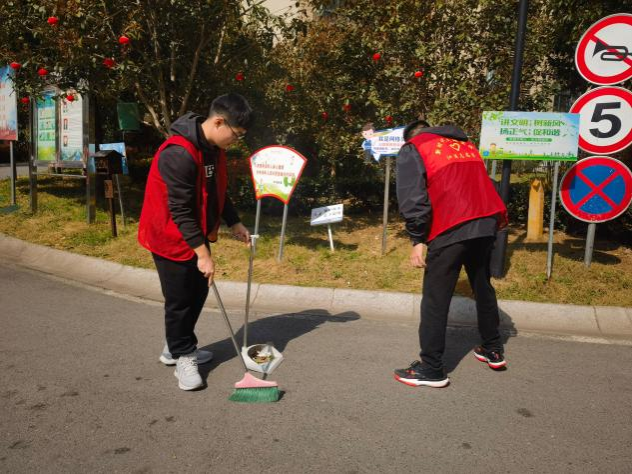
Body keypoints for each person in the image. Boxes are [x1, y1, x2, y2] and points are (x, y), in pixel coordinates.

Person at [138, 93, 252, 391]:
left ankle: (175, 346)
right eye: (236, 134)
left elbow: (217, 191)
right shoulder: (179, 153)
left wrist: (234, 221)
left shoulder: (213, 149)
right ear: (219, 122)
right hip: (168, 234)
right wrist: (203, 254)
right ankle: (183, 355)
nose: (236, 141)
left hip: (193, 233)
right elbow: (180, 210)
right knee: (180, 299)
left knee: (199, 290)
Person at [394, 120, 508, 388]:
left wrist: (417, 238)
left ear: (411, 137)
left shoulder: (415, 147)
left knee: (436, 297)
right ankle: (492, 349)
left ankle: (432, 369)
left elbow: (413, 197)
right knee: (482, 285)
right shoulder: (464, 145)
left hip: (451, 225)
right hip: (485, 221)